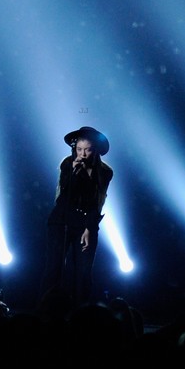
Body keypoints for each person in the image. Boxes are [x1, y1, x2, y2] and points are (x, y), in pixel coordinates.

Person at [42, 125, 113, 308]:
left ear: (95, 151)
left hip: (86, 222)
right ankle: (48, 311)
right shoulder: (67, 163)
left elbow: (96, 202)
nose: (82, 154)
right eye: (79, 149)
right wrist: (74, 174)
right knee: (53, 268)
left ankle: (81, 313)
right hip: (61, 221)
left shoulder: (105, 172)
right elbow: (63, 197)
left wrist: (89, 228)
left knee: (82, 273)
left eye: (87, 150)